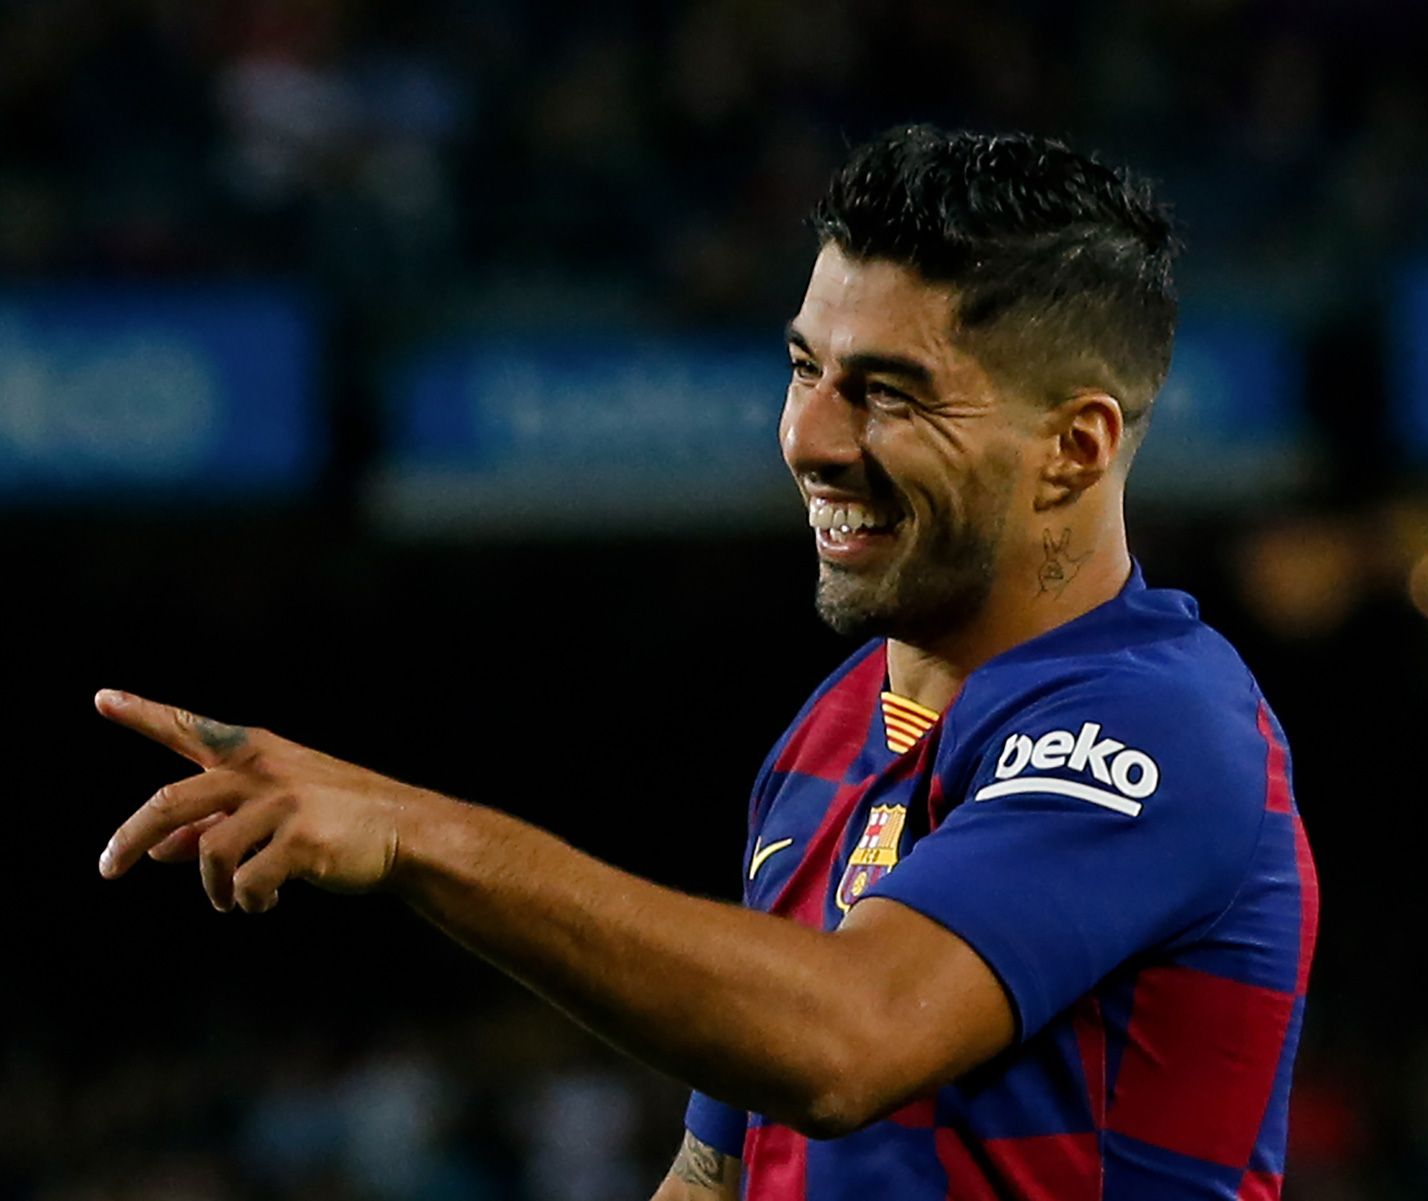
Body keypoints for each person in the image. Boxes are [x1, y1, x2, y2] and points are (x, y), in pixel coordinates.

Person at [96, 125, 1317, 1200]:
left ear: (1075, 446)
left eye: (888, 393)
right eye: (806, 369)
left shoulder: (1160, 722)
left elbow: (847, 1039)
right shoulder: (832, 733)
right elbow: (720, 1168)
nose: (811, 439)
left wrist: (416, 833)